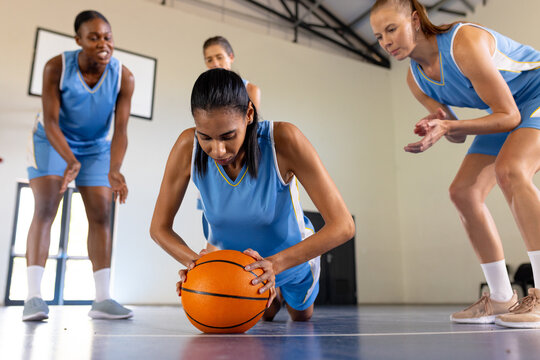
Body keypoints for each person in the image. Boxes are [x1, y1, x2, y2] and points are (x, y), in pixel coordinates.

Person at [370, 0, 540, 328]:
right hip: (506, 112)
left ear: (416, 21)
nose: (386, 41)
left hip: (532, 98)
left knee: (511, 170)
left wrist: (449, 126)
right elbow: (457, 133)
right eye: (379, 37)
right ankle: (501, 296)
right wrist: (437, 129)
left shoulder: (464, 43)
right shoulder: (415, 80)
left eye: (392, 29)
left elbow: (510, 116)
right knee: (463, 192)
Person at [150, 68, 354, 322]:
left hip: (291, 261)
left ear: (248, 114)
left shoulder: (284, 140)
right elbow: (159, 228)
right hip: (240, 270)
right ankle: (272, 298)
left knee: (301, 317)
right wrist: (198, 266)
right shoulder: (186, 148)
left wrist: (275, 265)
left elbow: (343, 226)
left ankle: (283, 290)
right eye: (205, 137)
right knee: (265, 316)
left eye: (228, 136)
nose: (218, 150)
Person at [23, 10, 134, 321]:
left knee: (101, 214)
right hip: (52, 140)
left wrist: (115, 168)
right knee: (46, 208)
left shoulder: (124, 76)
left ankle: (102, 299)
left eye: (108, 37)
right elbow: (51, 120)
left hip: (96, 147)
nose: (103, 43)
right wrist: (70, 160)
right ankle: (33, 297)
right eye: (94, 37)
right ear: (79, 41)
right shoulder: (56, 67)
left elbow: (121, 129)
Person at [202, 36, 261, 110]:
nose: (215, 64)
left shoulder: (250, 90)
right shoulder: (203, 91)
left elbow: (252, 121)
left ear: (231, 57)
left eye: (219, 57)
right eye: (209, 60)